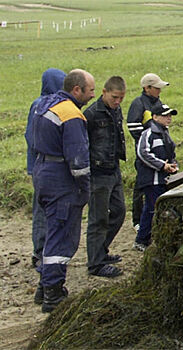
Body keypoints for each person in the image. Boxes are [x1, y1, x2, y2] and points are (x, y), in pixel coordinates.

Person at [31, 69, 95, 312]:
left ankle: (44, 286)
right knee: (62, 236)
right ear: (76, 90)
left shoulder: (44, 105)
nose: (92, 95)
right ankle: (53, 294)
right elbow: (78, 160)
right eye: (90, 90)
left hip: (42, 170)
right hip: (61, 179)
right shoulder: (71, 114)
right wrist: (84, 190)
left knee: (50, 232)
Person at [83, 76, 127, 278]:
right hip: (98, 172)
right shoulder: (91, 114)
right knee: (98, 218)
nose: (117, 102)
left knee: (119, 212)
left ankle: (101, 250)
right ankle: (95, 263)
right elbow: (84, 143)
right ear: (104, 92)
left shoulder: (116, 110)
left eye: (121, 98)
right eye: (114, 97)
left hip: (114, 169)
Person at [25, 68, 66, 268]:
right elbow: (32, 138)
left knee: (46, 209)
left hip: (39, 164)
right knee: (42, 210)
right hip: (43, 165)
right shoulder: (41, 106)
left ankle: (45, 250)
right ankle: (40, 251)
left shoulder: (43, 104)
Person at [127, 73, 169, 234]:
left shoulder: (158, 102)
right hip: (144, 151)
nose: (159, 91)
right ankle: (137, 220)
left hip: (159, 150)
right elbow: (133, 126)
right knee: (141, 185)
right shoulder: (138, 103)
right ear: (147, 88)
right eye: (157, 88)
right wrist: (148, 140)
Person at [133, 104, 178, 252]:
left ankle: (150, 237)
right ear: (155, 117)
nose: (169, 118)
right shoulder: (148, 133)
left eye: (170, 115)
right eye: (165, 115)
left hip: (163, 178)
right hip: (151, 179)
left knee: (155, 209)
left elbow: (171, 154)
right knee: (152, 209)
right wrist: (162, 166)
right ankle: (142, 239)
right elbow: (143, 153)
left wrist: (173, 165)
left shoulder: (165, 133)